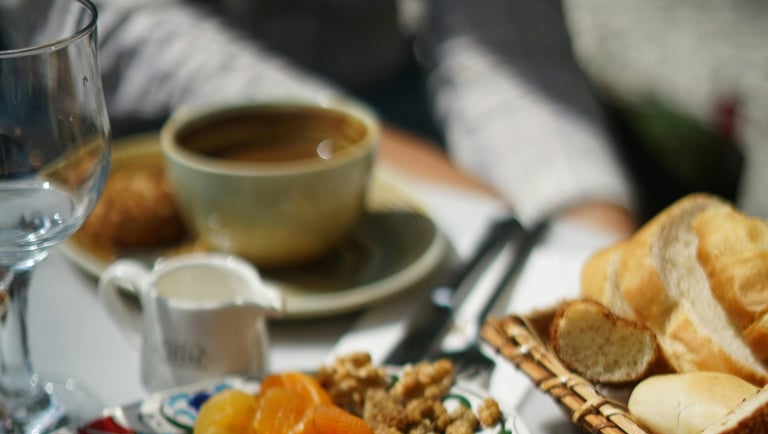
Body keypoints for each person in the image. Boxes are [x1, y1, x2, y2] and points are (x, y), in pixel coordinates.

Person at [90, 0, 768, 235]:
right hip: (130, 131)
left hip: (394, 92)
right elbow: (123, 35)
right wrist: (472, 203)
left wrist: (585, 242)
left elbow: (504, 43)